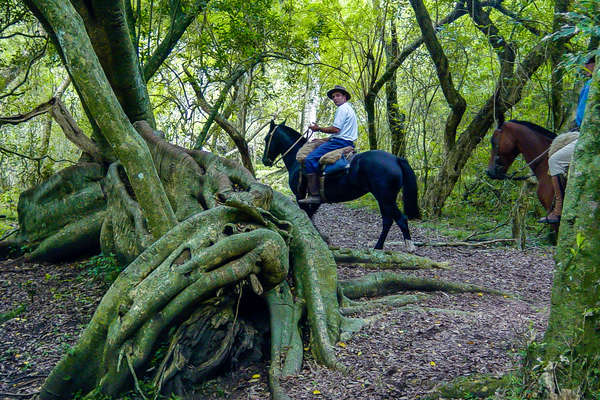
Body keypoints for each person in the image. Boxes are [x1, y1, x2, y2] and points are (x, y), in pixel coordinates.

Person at [539, 56, 595, 224]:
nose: (583, 68)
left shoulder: (594, 85)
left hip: (589, 134)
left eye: (586, 65)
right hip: (580, 131)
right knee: (556, 146)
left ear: (593, 65)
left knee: (555, 160)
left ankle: (559, 210)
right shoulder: (589, 84)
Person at [298, 85, 358, 204]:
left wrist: (318, 128)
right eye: (333, 97)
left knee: (310, 159)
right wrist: (322, 139)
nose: (335, 98)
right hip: (344, 141)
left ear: (344, 97)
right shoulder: (349, 109)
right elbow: (340, 132)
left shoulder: (342, 109)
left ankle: (314, 195)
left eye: (338, 95)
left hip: (339, 143)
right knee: (316, 146)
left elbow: (335, 129)